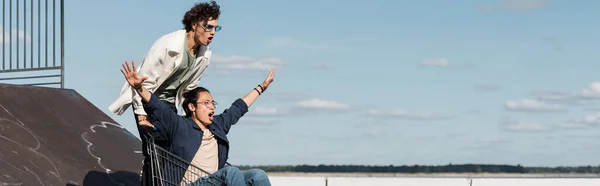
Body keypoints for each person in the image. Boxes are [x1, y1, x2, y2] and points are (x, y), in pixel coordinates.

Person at [107, 1, 222, 184]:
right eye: (208, 27)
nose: (213, 33)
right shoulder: (167, 45)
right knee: (155, 154)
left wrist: (189, 119)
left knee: (171, 153)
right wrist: (141, 114)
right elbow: (143, 82)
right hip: (149, 102)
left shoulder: (204, 54)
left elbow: (190, 88)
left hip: (169, 106)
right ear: (194, 24)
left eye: (216, 28)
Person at [120, 60, 273, 186]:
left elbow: (238, 108)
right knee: (231, 172)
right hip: (191, 184)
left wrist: (261, 88)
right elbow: (158, 107)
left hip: (214, 182)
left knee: (258, 175)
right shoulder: (180, 125)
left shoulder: (216, 125)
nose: (211, 106)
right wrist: (139, 87)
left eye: (213, 103)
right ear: (192, 107)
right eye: (206, 103)